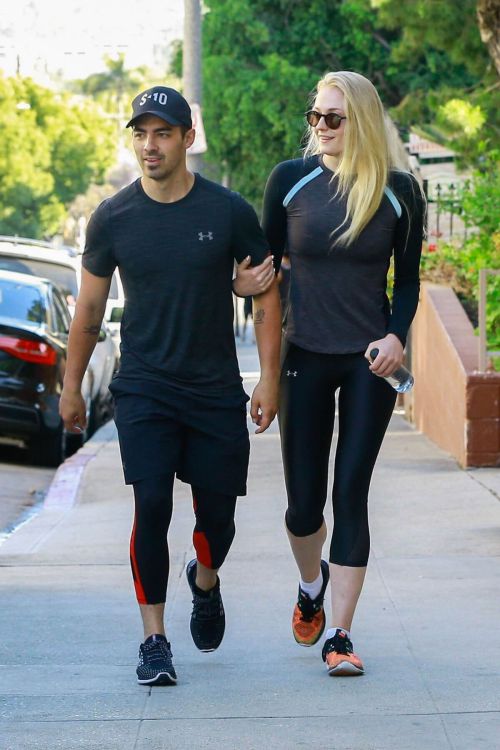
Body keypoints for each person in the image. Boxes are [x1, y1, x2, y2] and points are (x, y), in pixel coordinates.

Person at [59, 86, 281, 686]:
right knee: (151, 502)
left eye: (162, 133)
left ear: (188, 138)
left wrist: (267, 380)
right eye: (140, 133)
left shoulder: (227, 211)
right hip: (145, 386)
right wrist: (71, 386)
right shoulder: (113, 217)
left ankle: (204, 581)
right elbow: (88, 308)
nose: (149, 145)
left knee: (218, 519)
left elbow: (263, 289)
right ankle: (153, 639)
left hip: (212, 388)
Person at [262, 71, 424, 676]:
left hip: (367, 364)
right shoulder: (289, 181)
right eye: (316, 117)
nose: (322, 128)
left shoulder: (399, 191)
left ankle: (340, 634)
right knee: (304, 506)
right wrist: (268, 369)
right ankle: (312, 585)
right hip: (303, 355)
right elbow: (267, 271)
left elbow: (406, 281)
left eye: (334, 118)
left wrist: (395, 336)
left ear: (360, 121)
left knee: (349, 492)